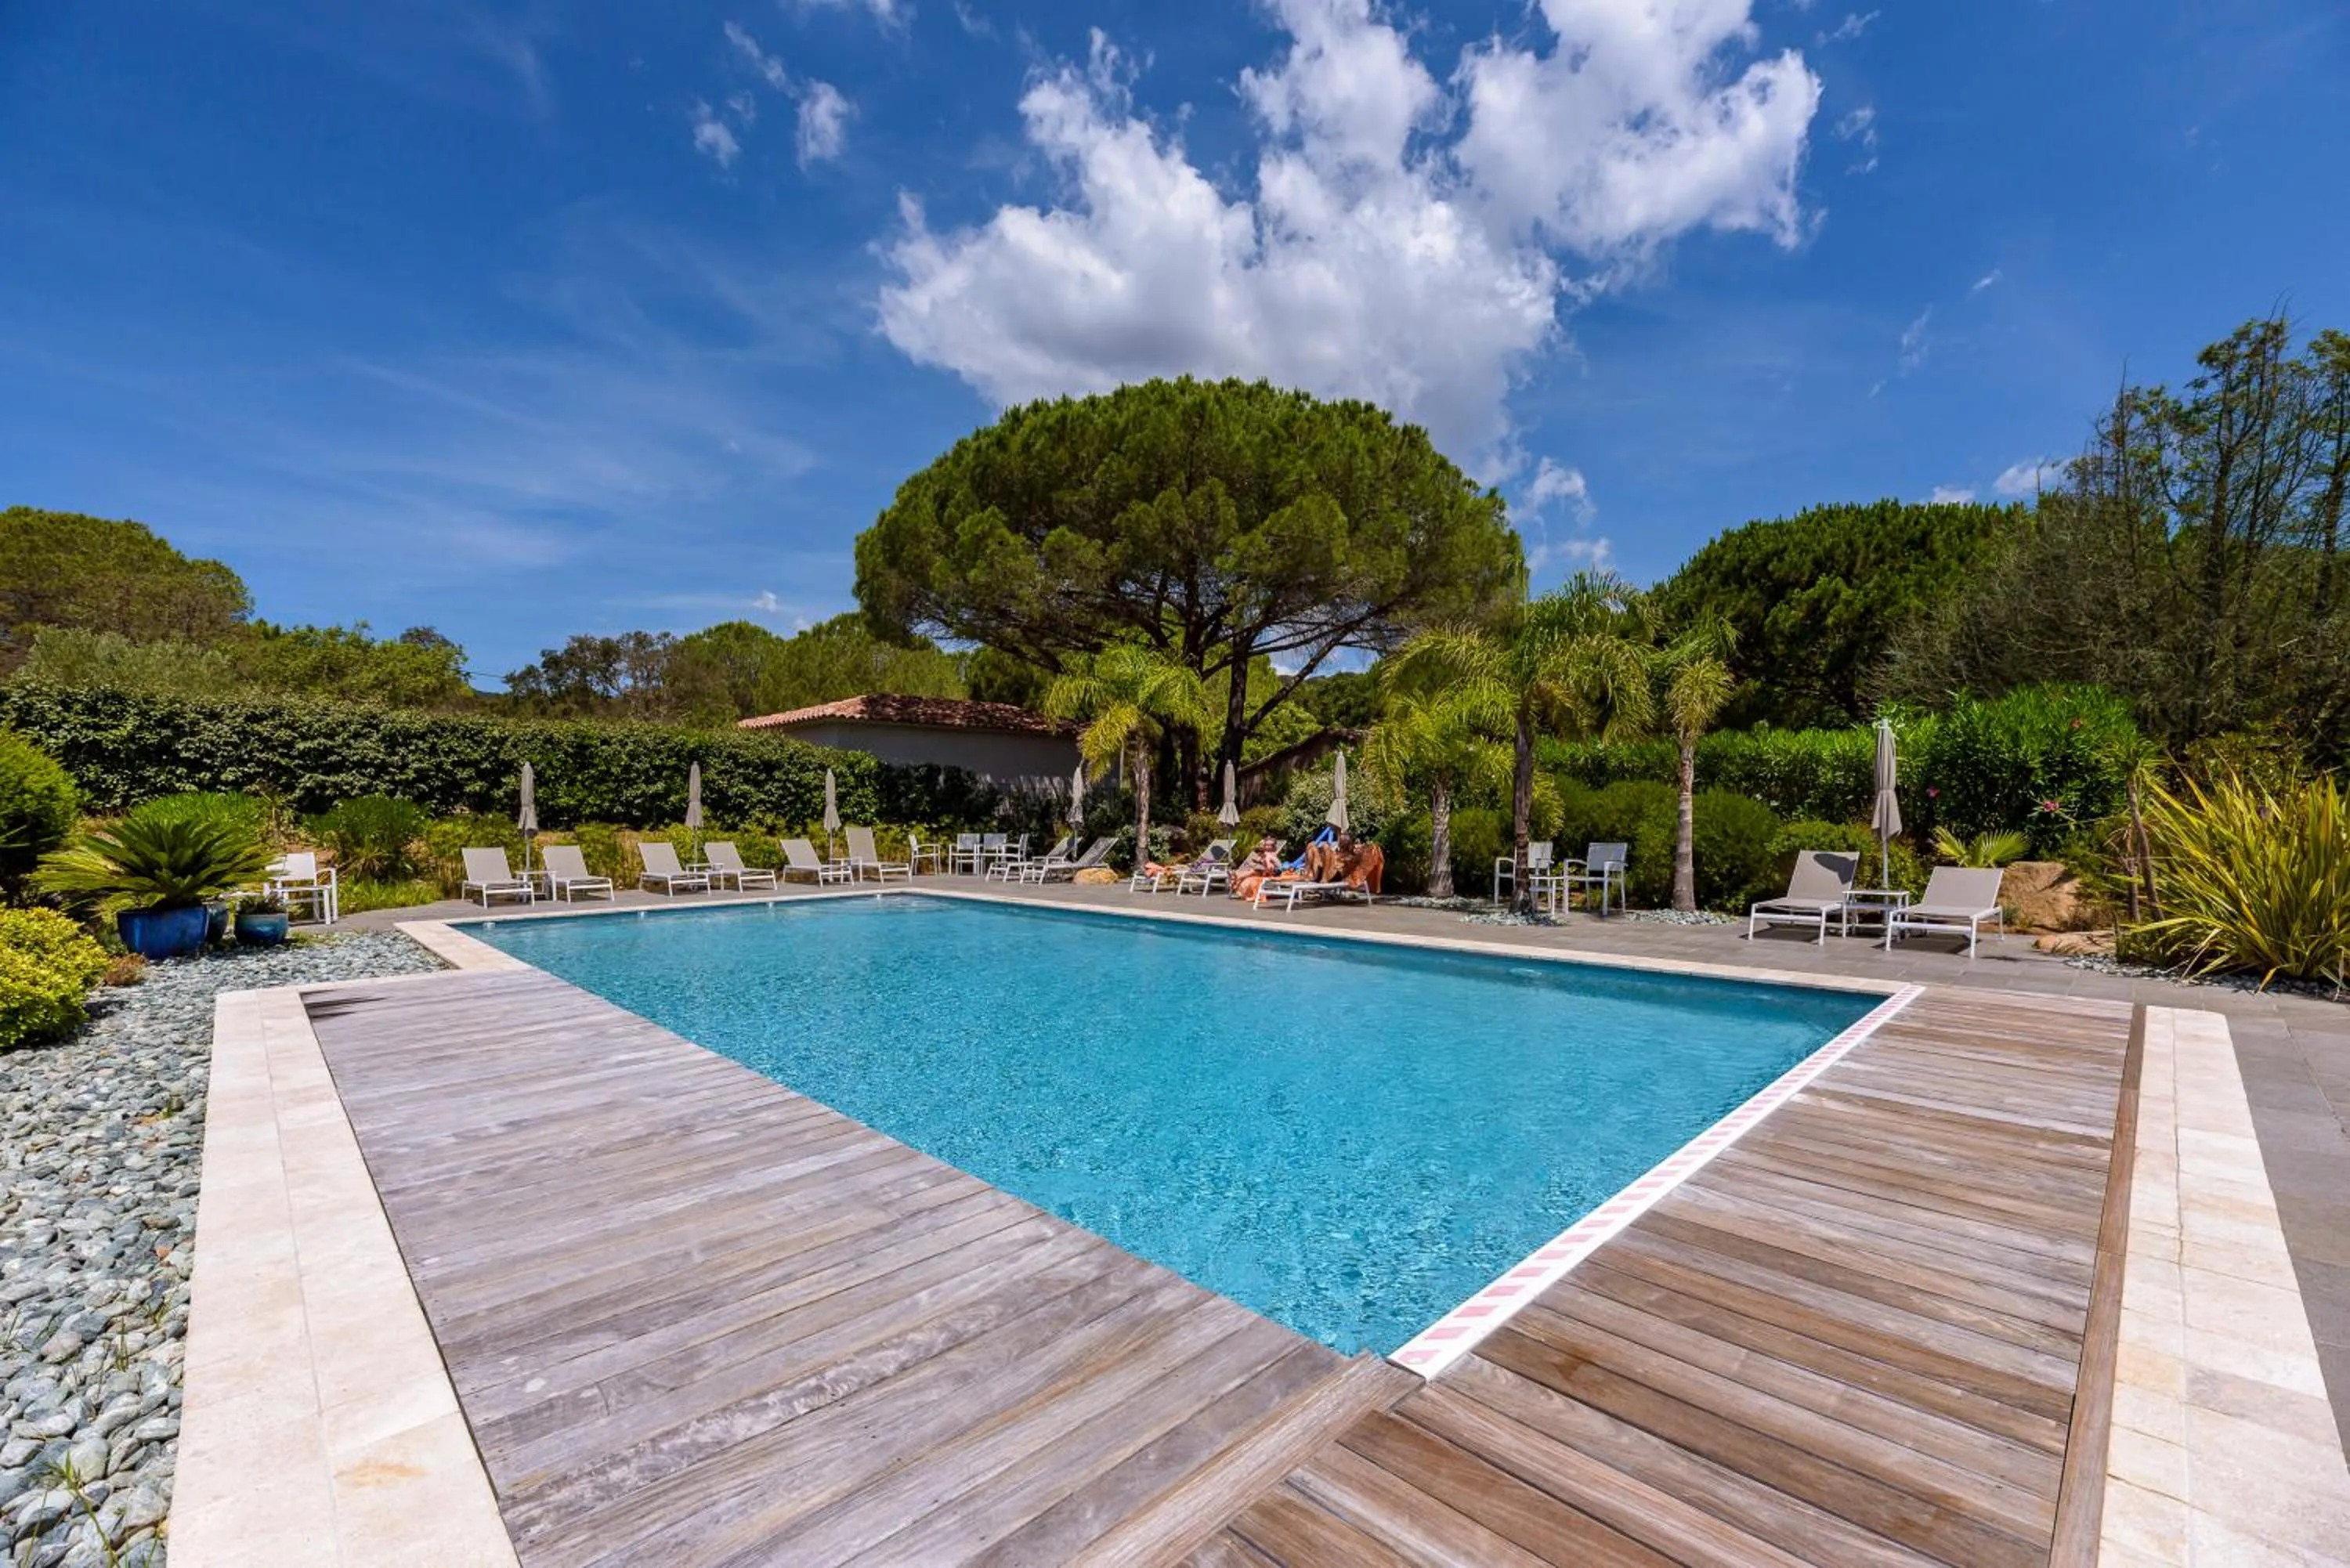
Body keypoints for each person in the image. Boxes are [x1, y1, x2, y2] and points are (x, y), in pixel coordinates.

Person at [1229, 837, 1287, 901]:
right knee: (1254, 871)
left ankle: (1237, 879)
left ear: (1273, 847)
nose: (1267, 847)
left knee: (1254, 871)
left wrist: (1261, 861)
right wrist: (1258, 861)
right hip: (1266, 871)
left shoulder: (1271, 855)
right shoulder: (1265, 854)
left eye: (1269, 845)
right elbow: (1261, 863)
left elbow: (1272, 867)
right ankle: (1237, 880)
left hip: (1274, 873)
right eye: (1265, 845)